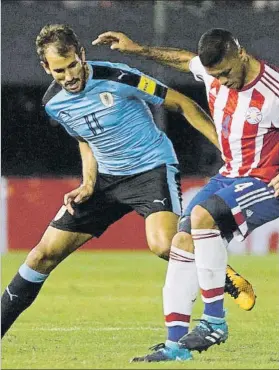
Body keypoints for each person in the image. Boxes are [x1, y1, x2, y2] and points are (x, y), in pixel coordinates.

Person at [1, 23, 233, 348]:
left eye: (72, 65)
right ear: (45, 68)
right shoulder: (53, 103)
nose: (68, 76)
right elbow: (86, 138)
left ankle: (221, 274)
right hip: (106, 182)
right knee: (42, 254)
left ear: (81, 55)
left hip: (150, 170)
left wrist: (229, 152)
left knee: (164, 245)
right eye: (58, 71)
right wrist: (88, 182)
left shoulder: (117, 76)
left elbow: (183, 104)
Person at [93, 28, 279, 362]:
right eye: (214, 75)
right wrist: (137, 48)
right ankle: (176, 346)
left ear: (241, 52)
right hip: (230, 175)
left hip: (265, 182)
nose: (221, 80)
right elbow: (181, 59)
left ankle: (214, 322)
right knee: (181, 240)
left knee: (201, 216)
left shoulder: (272, 91)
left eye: (226, 72)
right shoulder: (212, 75)